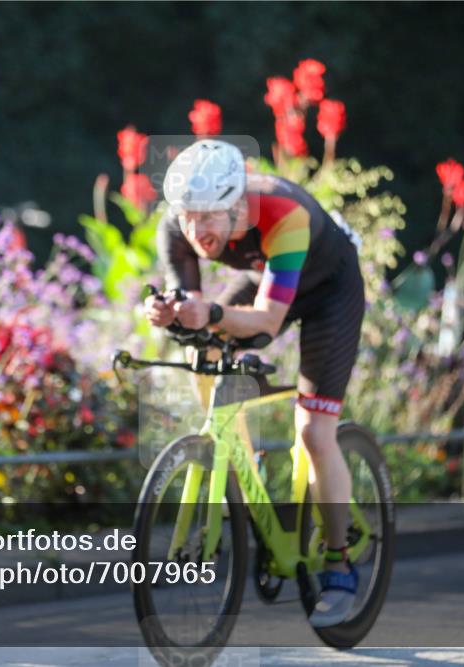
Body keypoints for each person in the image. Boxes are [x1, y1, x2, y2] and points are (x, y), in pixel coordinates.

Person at [143, 139, 366, 628]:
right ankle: (238, 456)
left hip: (329, 290)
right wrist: (169, 312)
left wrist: (216, 313)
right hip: (269, 273)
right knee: (201, 345)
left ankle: (338, 562)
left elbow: (265, 321)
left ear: (237, 205)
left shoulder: (285, 214)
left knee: (313, 430)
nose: (196, 229)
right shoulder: (175, 227)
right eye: (187, 216)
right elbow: (190, 306)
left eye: (209, 216)